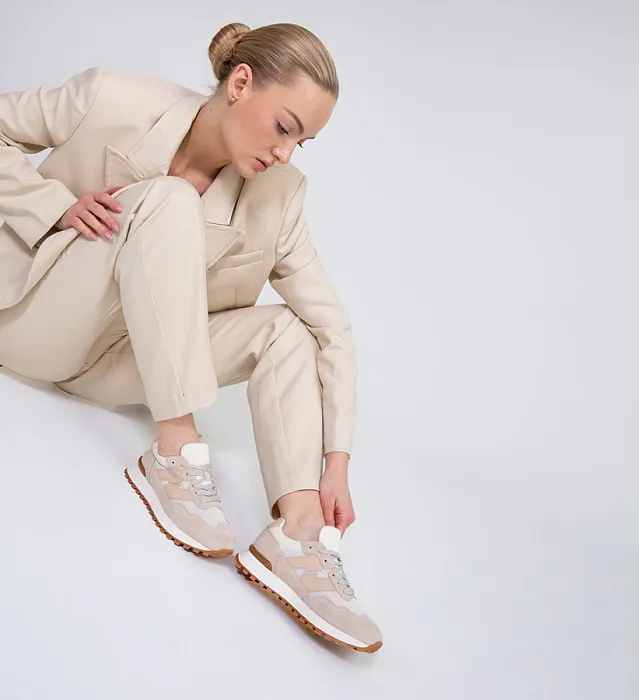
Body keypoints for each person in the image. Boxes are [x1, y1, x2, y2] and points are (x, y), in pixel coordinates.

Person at [0, 22, 382, 653]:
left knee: (288, 329)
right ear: (240, 83)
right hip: (34, 321)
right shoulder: (111, 97)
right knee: (170, 200)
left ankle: (298, 536)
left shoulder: (280, 196)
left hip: (120, 367)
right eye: (284, 127)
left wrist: (335, 461)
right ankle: (175, 451)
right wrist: (53, 206)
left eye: (303, 142)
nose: (287, 153)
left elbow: (330, 326)